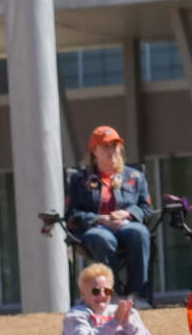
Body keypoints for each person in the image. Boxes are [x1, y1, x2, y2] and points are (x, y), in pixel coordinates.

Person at [64, 125, 153, 303]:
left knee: (140, 233)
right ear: (94, 151)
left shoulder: (135, 176)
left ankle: (137, 297)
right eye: (106, 146)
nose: (112, 151)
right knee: (104, 239)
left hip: (125, 226)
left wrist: (126, 214)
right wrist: (99, 219)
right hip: (95, 229)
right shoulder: (80, 179)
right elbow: (72, 214)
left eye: (115, 146)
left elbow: (146, 208)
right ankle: (111, 296)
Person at [59, 262, 149, 335]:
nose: (102, 295)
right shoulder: (75, 316)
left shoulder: (123, 310)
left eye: (107, 291)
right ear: (83, 294)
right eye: (96, 291)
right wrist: (115, 322)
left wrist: (127, 322)